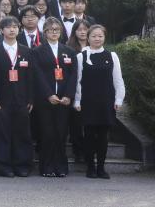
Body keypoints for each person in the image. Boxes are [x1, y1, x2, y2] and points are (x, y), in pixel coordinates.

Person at [74, 25, 125, 179]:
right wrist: (77, 100)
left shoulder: (112, 56)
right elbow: (77, 81)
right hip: (88, 101)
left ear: (104, 38)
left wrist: (119, 99)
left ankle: (101, 168)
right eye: (94, 36)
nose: (97, 39)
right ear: (88, 38)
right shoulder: (81, 56)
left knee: (103, 136)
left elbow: (118, 79)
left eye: (100, 36)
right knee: (89, 135)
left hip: (106, 101)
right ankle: (90, 167)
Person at [33, 17, 78, 177]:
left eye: (57, 30)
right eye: (50, 30)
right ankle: (46, 167)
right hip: (45, 99)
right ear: (45, 32)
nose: (54, 32)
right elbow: (37, 75)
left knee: (61, 133)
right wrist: (48, 94)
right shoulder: (37, 51)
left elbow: (73, 75)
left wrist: (68, 95)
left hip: (63, 100)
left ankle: (60, 167)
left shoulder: (69, 51)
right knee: (47, 133)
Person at [0, 16, 34, 177]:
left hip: (22, 99)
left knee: (22, 133)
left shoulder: (26, 51)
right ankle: (4, 166)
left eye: (15, 27)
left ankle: (22, 165)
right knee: (2, 133)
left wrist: (30, 98)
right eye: (8, 27)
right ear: (1, 30)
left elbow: (31, 77)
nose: (12, 30)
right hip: (2, 99)